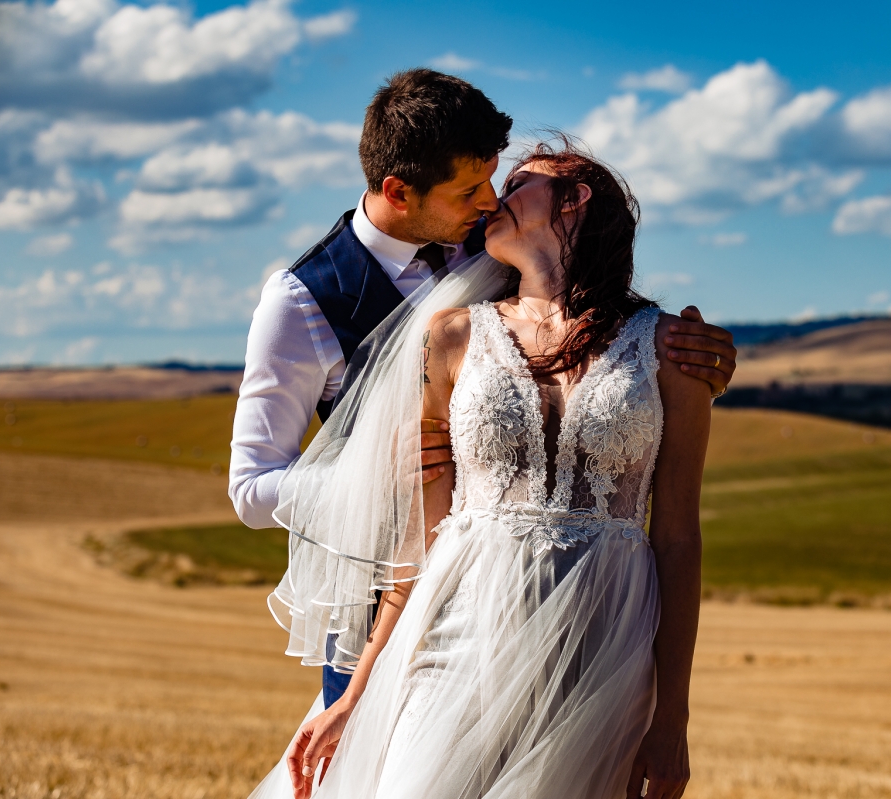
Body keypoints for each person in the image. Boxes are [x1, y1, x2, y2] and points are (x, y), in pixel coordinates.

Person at [229, 69, 737, 709]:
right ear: (399, 190)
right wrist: (370, 476)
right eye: (471, 187)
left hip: (530, 605)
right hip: (377, 600)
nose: (491, 200)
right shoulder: (301, 301)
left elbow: (579, 308)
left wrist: (686, 354)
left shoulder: (494, 242)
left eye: (495, 180)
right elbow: (249, 492)